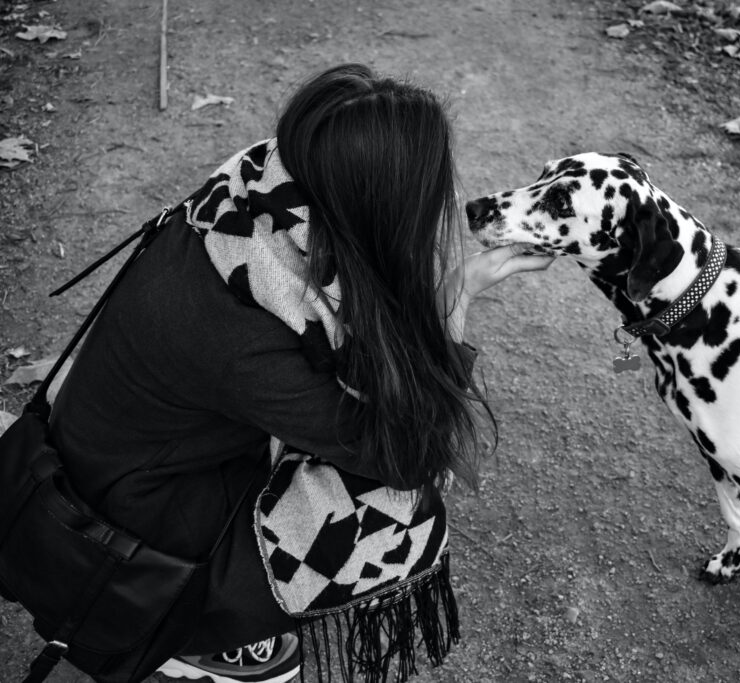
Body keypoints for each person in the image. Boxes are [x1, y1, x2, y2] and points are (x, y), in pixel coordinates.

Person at [49, 63, 553, 683]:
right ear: (375, 206)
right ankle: (198, 631)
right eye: (427, 192)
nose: (446, 203)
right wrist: (452, 304)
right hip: (135, 530)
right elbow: (409, 451)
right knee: (392, 502)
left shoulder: (260, 187)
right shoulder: (243, 342)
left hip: (123, 452)